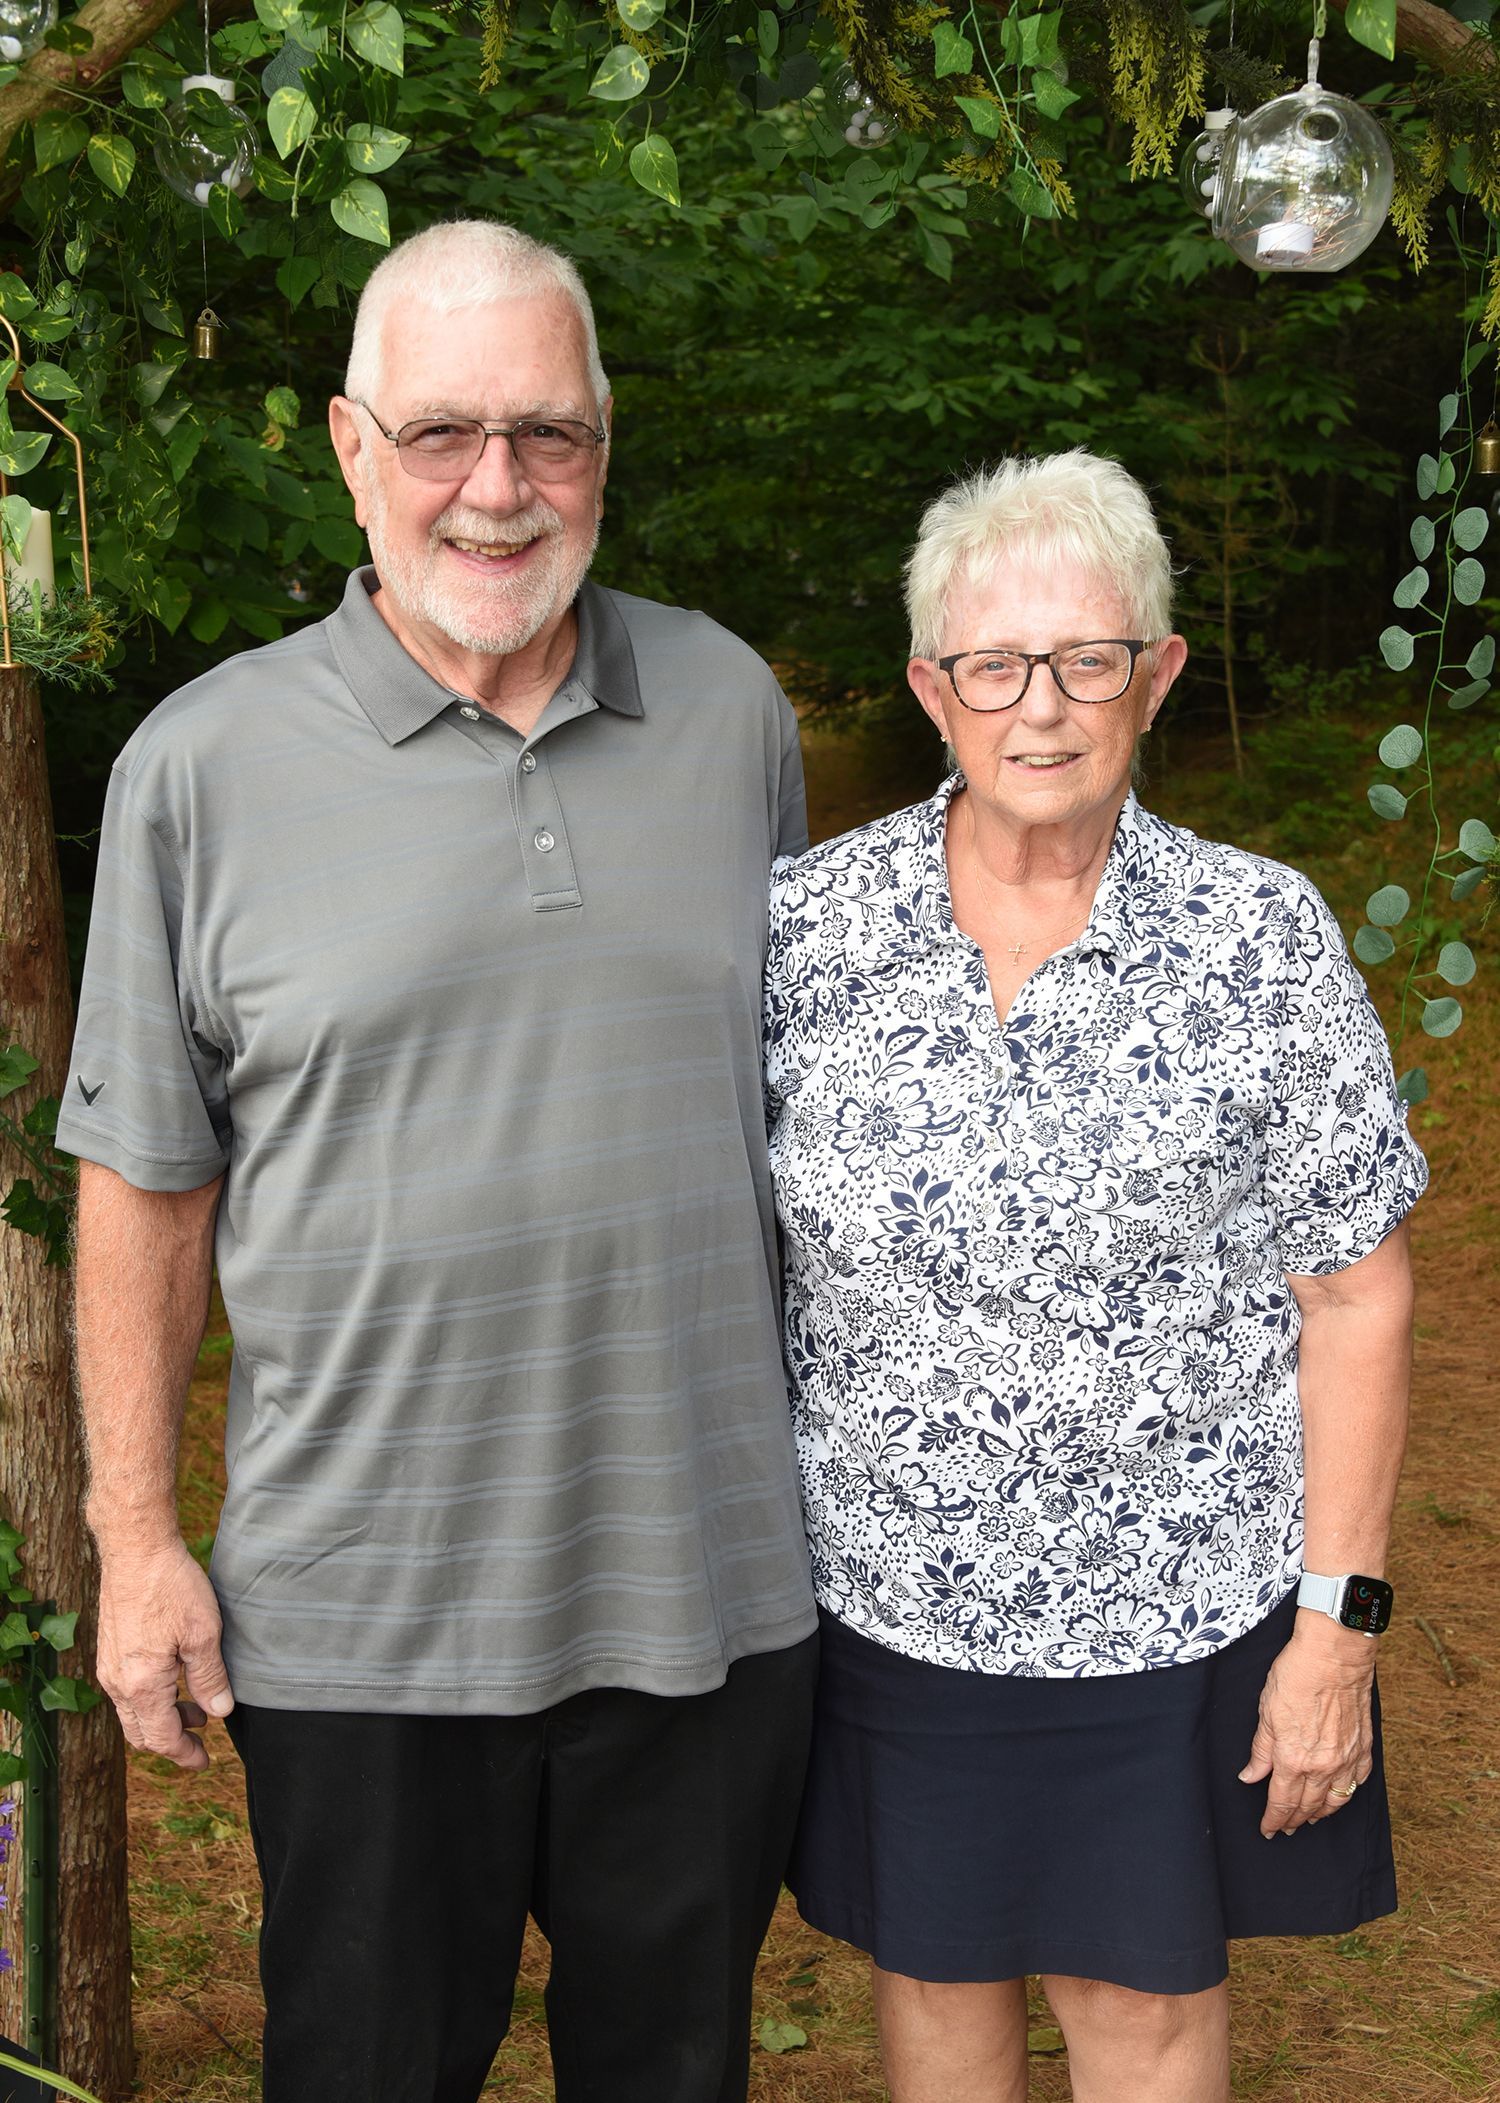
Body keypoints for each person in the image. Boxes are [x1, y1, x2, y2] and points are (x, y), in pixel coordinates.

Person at [60, 218, 818, 2103]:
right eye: (443, 433)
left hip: (707, 1596)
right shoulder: (199, 766)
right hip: (362, 1620)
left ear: (607, 443)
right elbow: (145, 1184)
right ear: (347, 446)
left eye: (548, 434)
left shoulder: (731, 713)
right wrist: (138, 1541)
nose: (498, 487)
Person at [763, 449, 1425, 2103]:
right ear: (931, 688)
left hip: (1177, 1614)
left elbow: (1358, 1295)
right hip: (892, 1605)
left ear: (1160, 675)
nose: (1040, 709)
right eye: (994, 665)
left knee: (1138, 2016)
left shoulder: (1260, 942)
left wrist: (1335, 1631)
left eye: (1090, 659)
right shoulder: (804, 936)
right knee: (935, 1996)